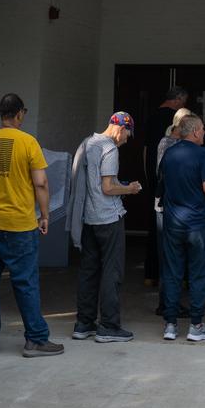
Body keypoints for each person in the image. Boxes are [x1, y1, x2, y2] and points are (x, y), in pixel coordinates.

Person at [0, 93, 63, 360]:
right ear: (19, 114)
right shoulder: (28, 143)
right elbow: (41, 183)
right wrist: (44, 214)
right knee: (25, 283)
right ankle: (36, 339)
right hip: (19, 225)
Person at [68, 112, 141, 344]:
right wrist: (129, 190)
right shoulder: (110, 149)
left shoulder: (87, 143)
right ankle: (109, 326)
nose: (126, 140)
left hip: (88, 218)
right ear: (120, 129)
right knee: (112, 272)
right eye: (127, 135)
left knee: (88, 271)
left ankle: (84, 323)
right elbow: (108, 187)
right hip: (108, 218)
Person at [158, 113, 205, 343]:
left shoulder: (169, 153)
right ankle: (196, 325)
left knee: (172, 273)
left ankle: (170, 325)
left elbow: (162, 184)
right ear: (194, 131)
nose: (204, 132)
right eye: (202, 129)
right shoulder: (203, 154)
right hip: (197, 224)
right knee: (199, 273)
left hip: (173, 222)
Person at [143, 85, 188, 282]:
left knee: (154, 228)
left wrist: (148, 176)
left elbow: (145, 150)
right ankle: (175, 277)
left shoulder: (151, 116)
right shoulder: (175, 120)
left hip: (155, 179)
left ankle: (151, 274)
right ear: (178, 100)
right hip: (173, 185)